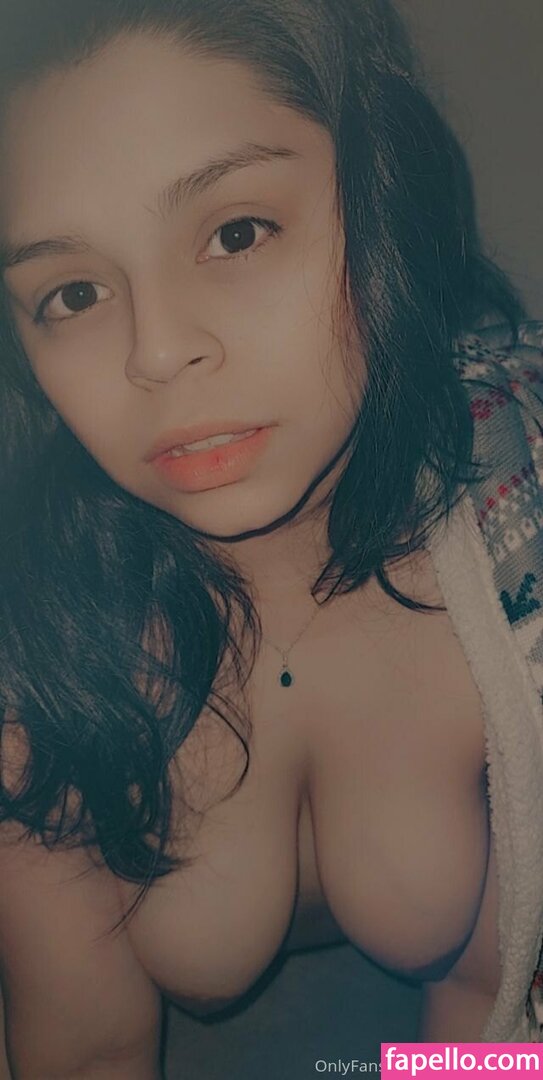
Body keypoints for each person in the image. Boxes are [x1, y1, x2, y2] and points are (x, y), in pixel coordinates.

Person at [0, 0, 540, 1075]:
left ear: (381, 196)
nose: (157, 352)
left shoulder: (515, 537)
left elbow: (494, 1012)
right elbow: (87, 1049)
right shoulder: (34, 637)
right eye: (74, 292)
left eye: (236, 233)